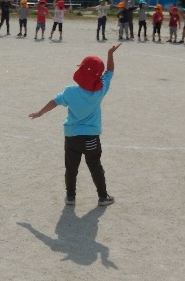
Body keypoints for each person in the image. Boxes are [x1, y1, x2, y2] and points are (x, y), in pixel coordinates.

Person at [28, 43, 121, 206]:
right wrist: (110, 54)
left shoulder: (70, 92)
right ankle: (103, 197)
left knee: (71, 168)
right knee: (95, 166)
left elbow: (54, 101)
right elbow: (110, 72)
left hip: (71, 136)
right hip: (91, 137)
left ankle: (70, 197)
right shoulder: (100, 91)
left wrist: (40, 112)